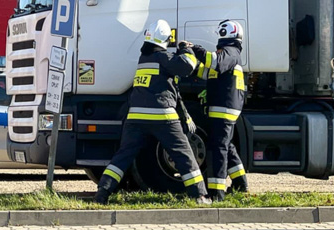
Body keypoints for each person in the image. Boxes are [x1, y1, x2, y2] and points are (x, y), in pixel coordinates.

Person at [94, 20, 211, 205]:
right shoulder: (163, 58)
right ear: (165, 39)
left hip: (135, 119)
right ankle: (199, 196)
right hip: (162, 117)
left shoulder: (144, 59)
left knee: (123, 156)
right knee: (183, 153)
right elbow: (186, 66)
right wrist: (185, 49)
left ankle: (103, 192)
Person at [192, 20, 248, 202]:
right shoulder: (228, 53)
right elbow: (206, 73)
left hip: (224, 109)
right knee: (227, 145)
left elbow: (214, 62)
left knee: (218, 148)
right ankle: (240, 184)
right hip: (223, 108)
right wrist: (189, 61)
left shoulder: (230, 53)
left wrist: (196, 49)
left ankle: (217, 193)